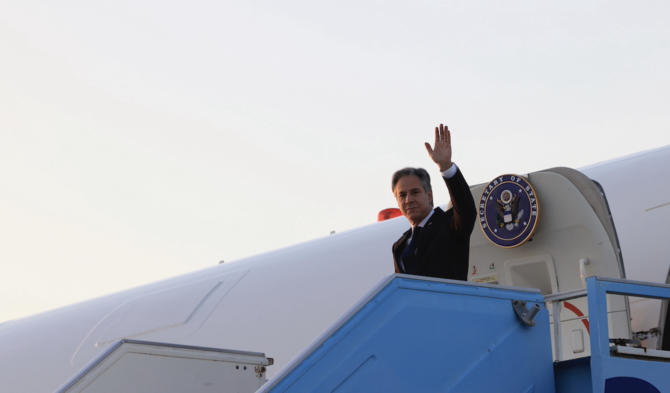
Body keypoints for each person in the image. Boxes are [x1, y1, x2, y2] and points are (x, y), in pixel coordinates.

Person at [391, 124, 476, 281]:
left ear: (429, 195)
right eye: (402, 195)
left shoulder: (450, 225)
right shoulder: (399, 246)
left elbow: (466, 208)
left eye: (415, 192)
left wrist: (446, 167)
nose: (408, 200)